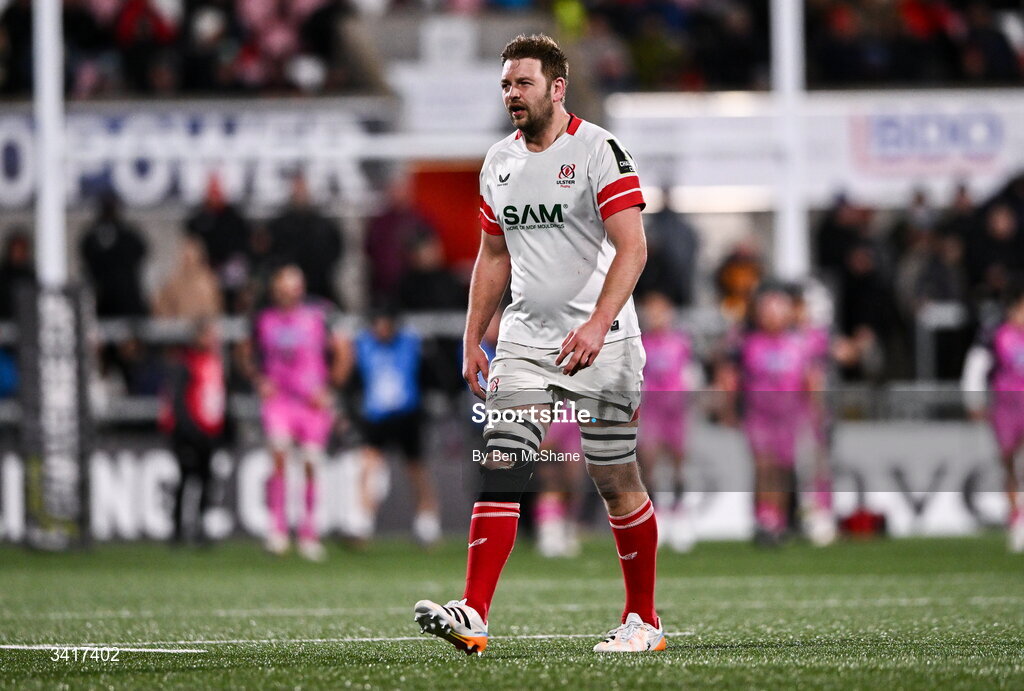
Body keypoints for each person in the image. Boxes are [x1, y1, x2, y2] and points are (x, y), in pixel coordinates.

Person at [414, 34, 663, 654]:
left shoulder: (599, 150)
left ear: (557, 86)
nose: (511, 95)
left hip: (604, 339)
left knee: (615, 477)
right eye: (505, 85)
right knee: (505, 456)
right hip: (526, 339)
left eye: (522, 83)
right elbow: (492, 255)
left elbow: (633, 248)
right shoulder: (497, 161)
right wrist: (473, 337)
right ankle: (473, 612)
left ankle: (644, 620)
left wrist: (599, 324)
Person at [242, 265, 348, 561]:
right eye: (284, 285)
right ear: (275, 288)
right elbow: (244, 351)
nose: (289, 291)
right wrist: (258, 379)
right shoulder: (263, 318)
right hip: (280, 400)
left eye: (294, 284)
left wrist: (330, 388)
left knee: (312, 462)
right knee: (278, 454)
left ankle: (308, 532)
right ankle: (277, 530)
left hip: (312, 402)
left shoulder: (321, 314)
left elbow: (343, 351)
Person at [717, 283, 823, 547]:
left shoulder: (798, 342)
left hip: (789, 414)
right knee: (764, 465)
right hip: (759, 413)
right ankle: (764, 517)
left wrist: (814, 410)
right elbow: (731, 377)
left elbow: (810, 378)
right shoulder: (747, 342)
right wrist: (729, 408)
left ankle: (778, 520)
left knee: (784, 468)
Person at [347, 305, 440, 546]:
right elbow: (355, 380)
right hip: (376, 416)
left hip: (407, 415)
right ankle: (362, 521)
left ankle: (427, 521)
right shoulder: (364, 346)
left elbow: (427, 376)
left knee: (416, 470)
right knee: (368, 465)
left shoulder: (410, 344)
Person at [961, 285, 1024, 552]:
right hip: (1007, 406)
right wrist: (973, 398)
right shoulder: (997, 334)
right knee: (1010, 464)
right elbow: (977, 364)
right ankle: (1017, 520)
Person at [159, 319, 227, 545]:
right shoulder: (186, 363)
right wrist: (188, 430)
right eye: (209, 335)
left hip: (210, 433)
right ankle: (178, 529)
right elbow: (178, 401)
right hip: (189, 433)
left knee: (205, 480)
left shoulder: (214, 362)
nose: (213, 340)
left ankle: (200, 526)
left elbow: (219, 398)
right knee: (186, 477)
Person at [638, 291, 695, 553]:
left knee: (678, 463)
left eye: (661, 311)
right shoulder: (641, 343)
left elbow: (691, 374)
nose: (656, 317)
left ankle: (680, 516)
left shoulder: (681, 343)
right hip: (652, 411)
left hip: (676, 411)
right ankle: (656, 517)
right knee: (649, 464)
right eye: (652, 311)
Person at [267, 173, 344, 305]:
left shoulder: (323, 224)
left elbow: (336, 249)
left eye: (302, 189)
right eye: (297, 189)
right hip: (287, 294)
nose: (300, 193)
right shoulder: (280, 225)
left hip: (319, 287)